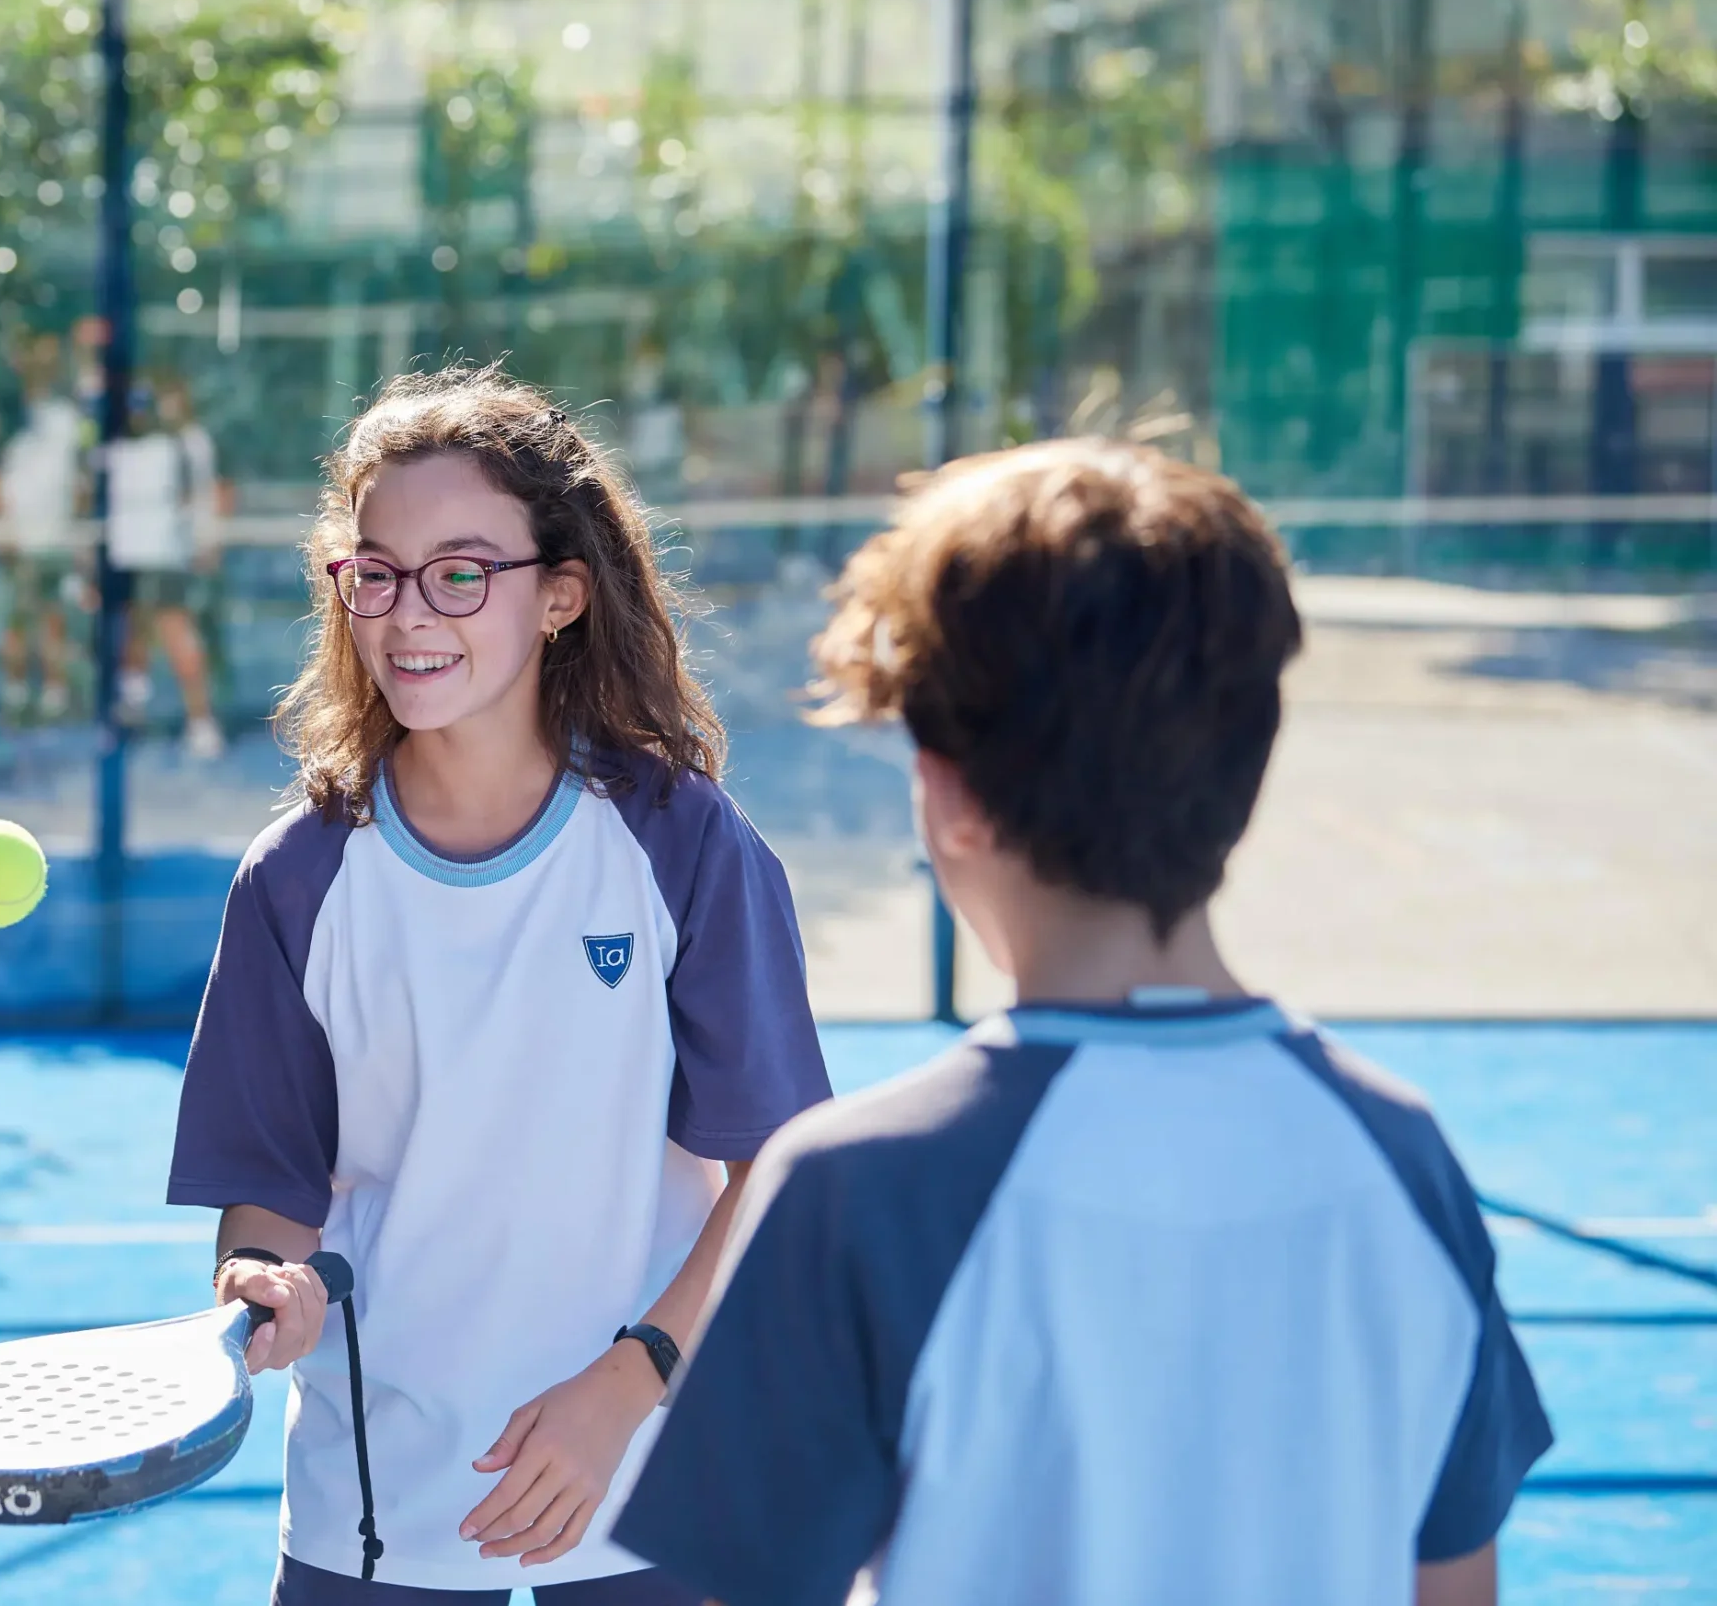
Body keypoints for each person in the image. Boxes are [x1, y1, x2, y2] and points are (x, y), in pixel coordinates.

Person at [614, 439, 1554, 1606]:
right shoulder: (1399, 1154)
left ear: (949, 796)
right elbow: (1453, 1584)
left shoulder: (858, 1189)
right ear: (1248, 767)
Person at [167, 363, 832, 1604]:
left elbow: (779, 1172)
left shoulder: (679, 841)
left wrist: (628, 1382)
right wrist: (257, 1278)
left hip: (654, 1477)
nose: (408, 613)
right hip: (382, 1502)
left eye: (461, 574)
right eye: (376, 573)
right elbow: (271, 1193)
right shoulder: (295, 879)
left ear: (560, 595)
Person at [105, 378, 224, 758]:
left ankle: (201, 722)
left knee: (176, 633)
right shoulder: (116, 451)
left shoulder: (183, 446)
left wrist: (204, 542)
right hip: (126, 559)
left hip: (165, 557)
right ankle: (131, 717)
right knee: (131, 637)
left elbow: (200, 498)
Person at [0, 331, 86, 722]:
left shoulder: (67, 417)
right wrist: (4, 531)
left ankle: (53, 692)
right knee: (18, 618)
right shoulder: (7, 418)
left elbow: (79, 482)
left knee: (51, 618)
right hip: (20, 537)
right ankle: (17, 694)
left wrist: (77, 534)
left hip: (55, 538)